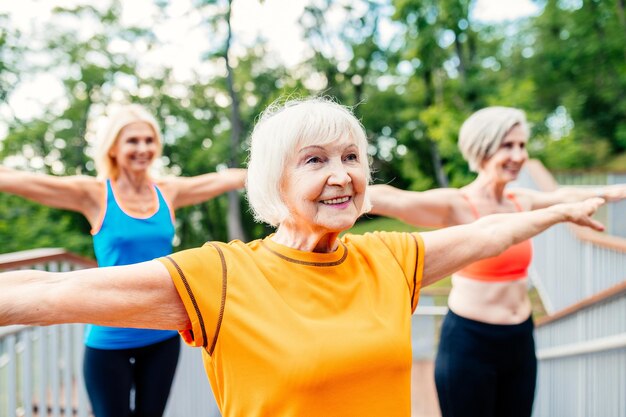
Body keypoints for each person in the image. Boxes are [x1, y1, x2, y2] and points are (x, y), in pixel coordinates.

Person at [0, 98, 608, 417]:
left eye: (351, 157)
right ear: (274, 182)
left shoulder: (389, 260)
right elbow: (42, 296)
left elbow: (485, 236)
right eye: (315, 160)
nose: (342, 175)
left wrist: (556, 211)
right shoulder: (220, 276)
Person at [367, 106, 626, 417]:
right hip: (470, 342)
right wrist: (339, 188)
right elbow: (396, 199)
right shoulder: (456, 204)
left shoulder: (522, 201)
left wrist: (607, 192)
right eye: (508, 145)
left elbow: (562, 195)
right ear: (483, 148)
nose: (519, 156)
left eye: (521, 145)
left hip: (519, 338)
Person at [0, 103, 246, 417]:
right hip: (109, 338)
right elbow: (21, 180)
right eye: (133, 141)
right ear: (114, 148)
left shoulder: (167, 191)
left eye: (149, 140)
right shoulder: (94, 194)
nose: (143, 148)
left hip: (162, 336)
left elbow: (223, 179)